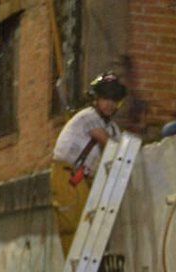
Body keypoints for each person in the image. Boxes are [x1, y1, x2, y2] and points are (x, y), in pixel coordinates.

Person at [52, 73, 126, 255]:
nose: (110, 104)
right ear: (96, 99)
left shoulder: (112, 128)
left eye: (114, 99)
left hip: (85, 179)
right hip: (68, 174)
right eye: (105, 98)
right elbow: (108, 143)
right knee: (73, 224)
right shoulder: (88, 116)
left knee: (89, 226)